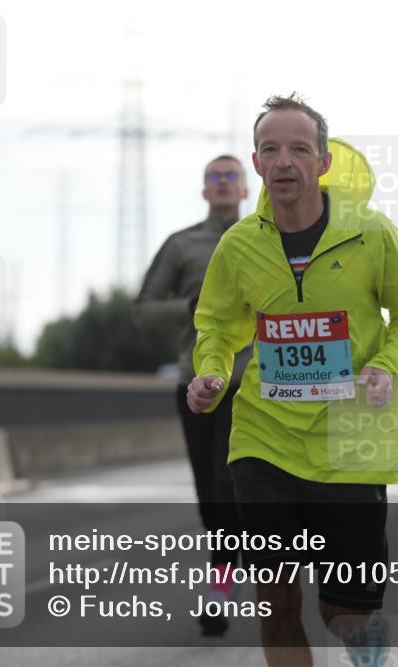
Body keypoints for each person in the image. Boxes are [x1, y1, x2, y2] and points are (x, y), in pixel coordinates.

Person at [187, 94, 398, 667]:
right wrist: (211, 373)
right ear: (256, 164)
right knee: (275, 602)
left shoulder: (371, 235)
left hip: (353, 440)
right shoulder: (240, 245)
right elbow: (218, 325)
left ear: (323, 163)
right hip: (264, 440)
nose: (284, 162)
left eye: (298, 149)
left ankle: (366, 643)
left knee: (344, 615)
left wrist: (388, 369)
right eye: (271, 150)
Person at [133, 154, 250, 636]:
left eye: (231, 176)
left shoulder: (269, 238)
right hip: (199, 380)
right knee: (212, 492)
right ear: (205, 191)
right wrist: (190, 305)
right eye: (213, 177)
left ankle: (242, 576)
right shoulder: (182, 246)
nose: (222, 184)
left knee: (241, 485)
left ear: (246, 188)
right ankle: (226, 573)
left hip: (263, 384)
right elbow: (142, 311)